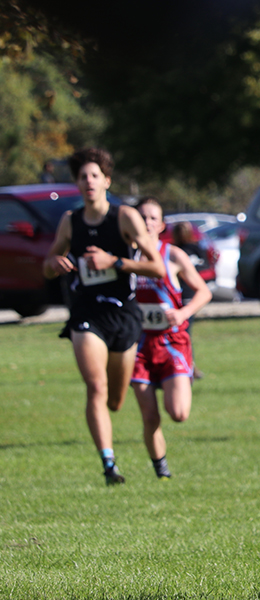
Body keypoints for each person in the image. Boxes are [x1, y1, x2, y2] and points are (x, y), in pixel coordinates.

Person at [42, 148, 166, 485]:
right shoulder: (71, 221)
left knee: (114, 399)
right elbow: (48, 264)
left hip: (123, 314)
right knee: (95, 387)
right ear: (77, 184)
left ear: (106, 181)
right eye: (82, 177)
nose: (88, 182)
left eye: (94, 176)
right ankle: (109, 465)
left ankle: (111, 421)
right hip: (87, 312)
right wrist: (54, 265)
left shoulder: (124, 217)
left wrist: (115, 262)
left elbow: (156, 266)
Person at [131, 197, 212, 479]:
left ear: (161, 224)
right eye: (142, 217)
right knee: (150, 415)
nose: (147, 222)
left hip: (171, 343)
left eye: (153, 218)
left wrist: (184, 312)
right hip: (138, 345)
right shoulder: (125, 257)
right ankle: (161, 470)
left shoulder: (173, 255)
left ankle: (178, 380)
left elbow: (204, 291)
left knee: (178, 413)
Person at [169, 221, 208, 378]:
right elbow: (204, 264)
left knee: (184, 333)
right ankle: (185, 364)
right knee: (183, 332)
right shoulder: (180, 250)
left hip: (185, 296)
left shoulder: (176, 252)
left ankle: (188, 365)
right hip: (186, 295)